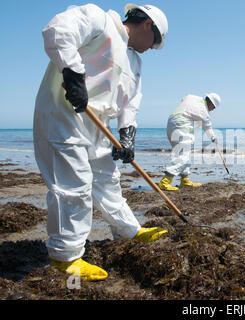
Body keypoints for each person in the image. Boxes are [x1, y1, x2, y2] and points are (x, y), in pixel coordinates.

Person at [33, 3, 169, 281]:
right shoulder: (100, 21)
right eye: (154, 43)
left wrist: (127, 134)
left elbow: (130, 102)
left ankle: (129, 230)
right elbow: (58, 30)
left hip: (98, 124)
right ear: (147, 26)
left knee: (108, 180)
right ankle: (65, 256)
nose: (150, 49)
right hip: (64, 115)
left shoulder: (134, 61)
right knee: (74, 185)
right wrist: (72, 75)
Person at [158, 93, 221, 191]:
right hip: (181, 126)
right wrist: (213, 138)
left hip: (171, 123)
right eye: (214, 107)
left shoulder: (192, 97)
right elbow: (207, 127)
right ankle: (165, 181)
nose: (213, 109)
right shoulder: (204, 112)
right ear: (211, 103)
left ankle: (185, 180)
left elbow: (184, 98)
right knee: (183, 156)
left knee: (183, 153)